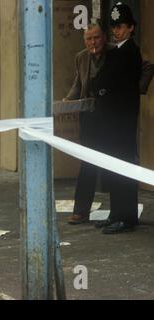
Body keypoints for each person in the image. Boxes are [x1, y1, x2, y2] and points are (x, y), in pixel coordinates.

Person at [91, 2, 142, 234]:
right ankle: (116, 213)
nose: (116, 30)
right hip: (111, 121)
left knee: (125, 167)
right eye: (114, 26)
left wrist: (103, 88)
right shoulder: (115, 53)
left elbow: (112, 84)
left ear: (131, 27)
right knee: (114, 168)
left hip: (122, 121)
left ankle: (127, 216)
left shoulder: (131, 52)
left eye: (120, 26)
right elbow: (97, 81)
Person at [65, 23, 114, 225]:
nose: (93, 43)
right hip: (89, 118)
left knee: (113, 163)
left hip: (111, 118)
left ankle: (119, 213)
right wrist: (68, 102)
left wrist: (135, 91)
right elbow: (79, 84)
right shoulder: (81, 57)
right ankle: (81, 211)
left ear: (103, 37)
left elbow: (146, 67)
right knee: (87, 163)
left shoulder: (116, 53)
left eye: (96, 38)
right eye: (89, 39)